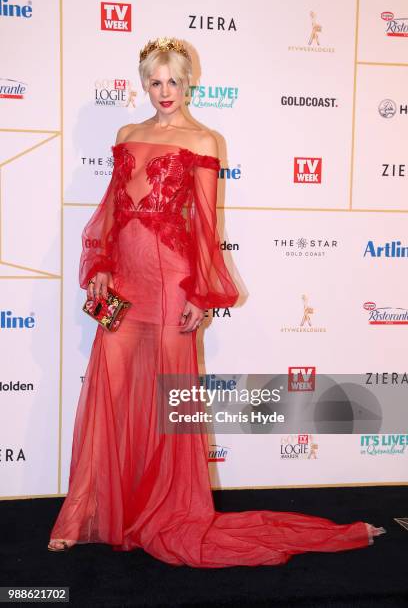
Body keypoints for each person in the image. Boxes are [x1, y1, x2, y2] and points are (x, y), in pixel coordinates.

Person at [48, 37, 385, 566]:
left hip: (170, 281)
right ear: (144, 84)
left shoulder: (205, 140)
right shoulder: (126, 135)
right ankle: (85, 514)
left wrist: (202, 293)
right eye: (155, 81)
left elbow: (205, 225)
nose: (164, 91)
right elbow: (112, 209)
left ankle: (162, 510)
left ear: (188, 83)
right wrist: (101, 266)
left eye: (173, 81)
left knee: (165, 400)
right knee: (107, 397)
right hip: (126, 283)